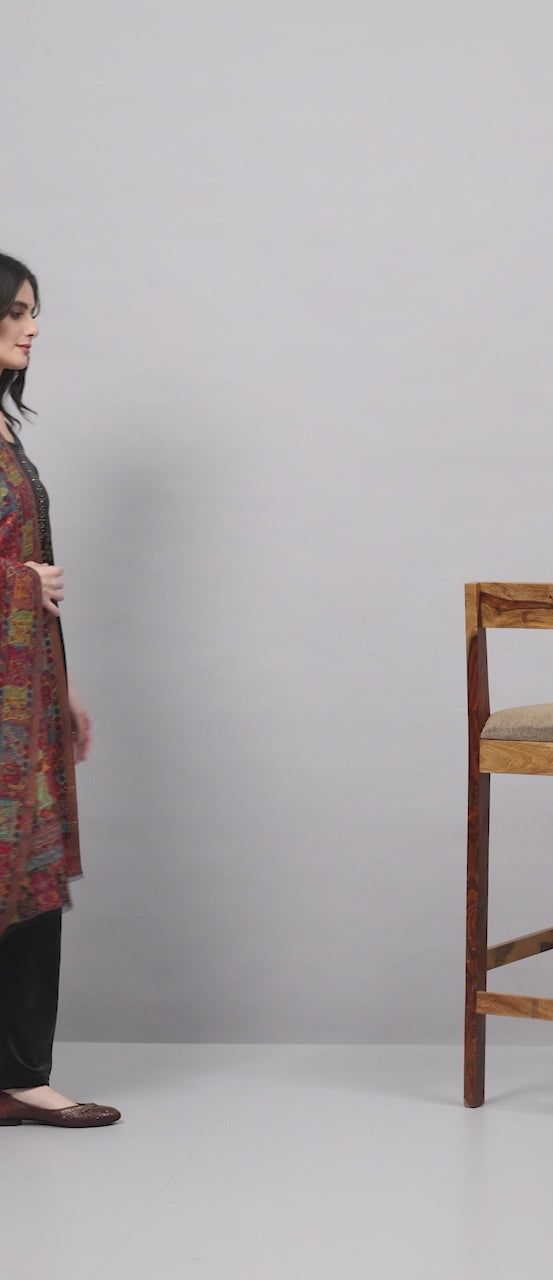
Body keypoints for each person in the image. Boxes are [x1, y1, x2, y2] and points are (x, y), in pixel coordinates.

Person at [0, 252, 119, 1128]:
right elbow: (26, 572)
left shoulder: (7, 434)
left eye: (33, 312)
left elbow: (33, 566)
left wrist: (65, 688)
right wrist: (21, 583)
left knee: (28, 878)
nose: (32, 328)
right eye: (14, 312)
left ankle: (20, 1074)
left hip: (27, 692)